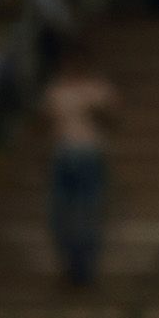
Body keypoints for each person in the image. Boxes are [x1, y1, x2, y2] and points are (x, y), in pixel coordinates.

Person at [43, 47, 120, 286]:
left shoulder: (98, 89)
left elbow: (113, 121)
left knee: (88, 214)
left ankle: (85, 270)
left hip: (89, 156)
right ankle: (70, 266)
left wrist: (97, 111)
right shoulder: (56, 89)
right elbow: (45, 122)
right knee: (61, 216)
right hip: (63, 156)